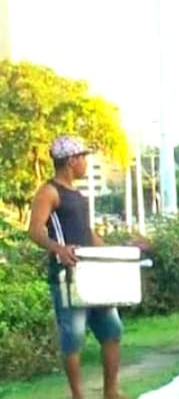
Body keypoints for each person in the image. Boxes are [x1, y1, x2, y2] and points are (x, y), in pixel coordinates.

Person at [27, 136, 125, 399]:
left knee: (112, 331)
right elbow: (35, 230)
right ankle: (78, 395)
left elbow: (87, 233)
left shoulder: (77, 194)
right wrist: (59, 249)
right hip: (67, 276)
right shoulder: (49, 192)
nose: (85, 163)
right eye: (83, 157)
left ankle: (111, 392)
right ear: (72, 160)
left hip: (93, 273)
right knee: (74, 338)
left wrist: (120, 252)